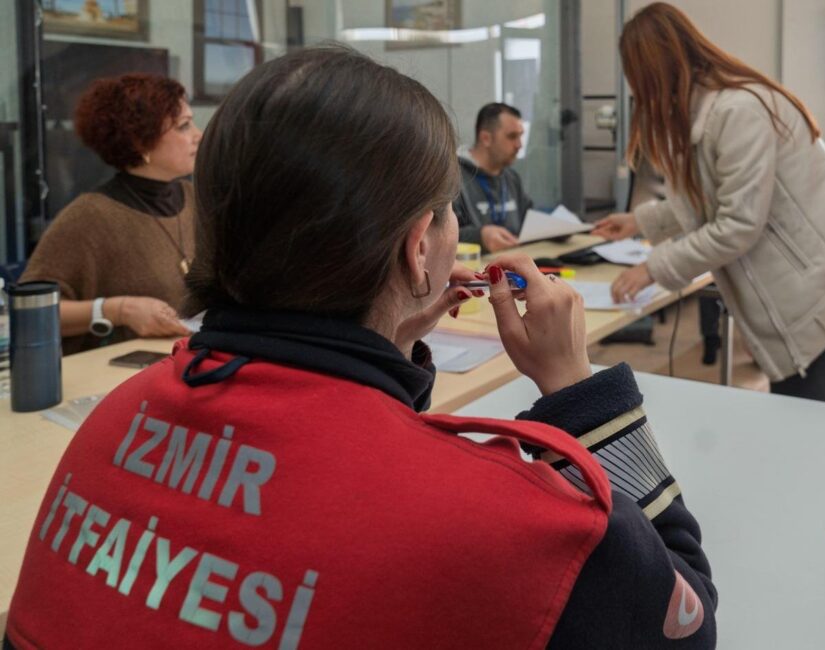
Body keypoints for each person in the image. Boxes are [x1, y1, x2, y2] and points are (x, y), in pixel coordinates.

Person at [5, 46, 717, 649]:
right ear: (418, 251)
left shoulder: (111, 422)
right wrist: (576, 391)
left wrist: (395, 333)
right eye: (446, 218)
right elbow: (688, 617)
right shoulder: (504, 519)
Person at [594, 3, 825, 407]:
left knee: (814, 427)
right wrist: (639, 222)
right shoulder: (712, 111)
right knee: (811, 421)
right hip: (815, 285)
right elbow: (712, 202)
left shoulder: (738, 112)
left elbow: (737, 224)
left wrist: (654, 268)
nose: (638, 94)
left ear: (656, 70)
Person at [19, 73, 201, 354]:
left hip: (196, 364)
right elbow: (30, 313)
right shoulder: (89, 217)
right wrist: (118, 310)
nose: (198, 136)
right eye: (184, 126)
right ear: (141, 142)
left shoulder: (195, 199)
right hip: (125, 381)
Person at [453, 102, 534, 252]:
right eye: (512, 136)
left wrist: (568, 229)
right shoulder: (452, 178)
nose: (519, 145)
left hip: (513, 267)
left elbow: (531, 222)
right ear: (486, 138)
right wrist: (480, 237)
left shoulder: (511, 177)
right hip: (473, 271)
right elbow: (437, 236)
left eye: (521, 136)